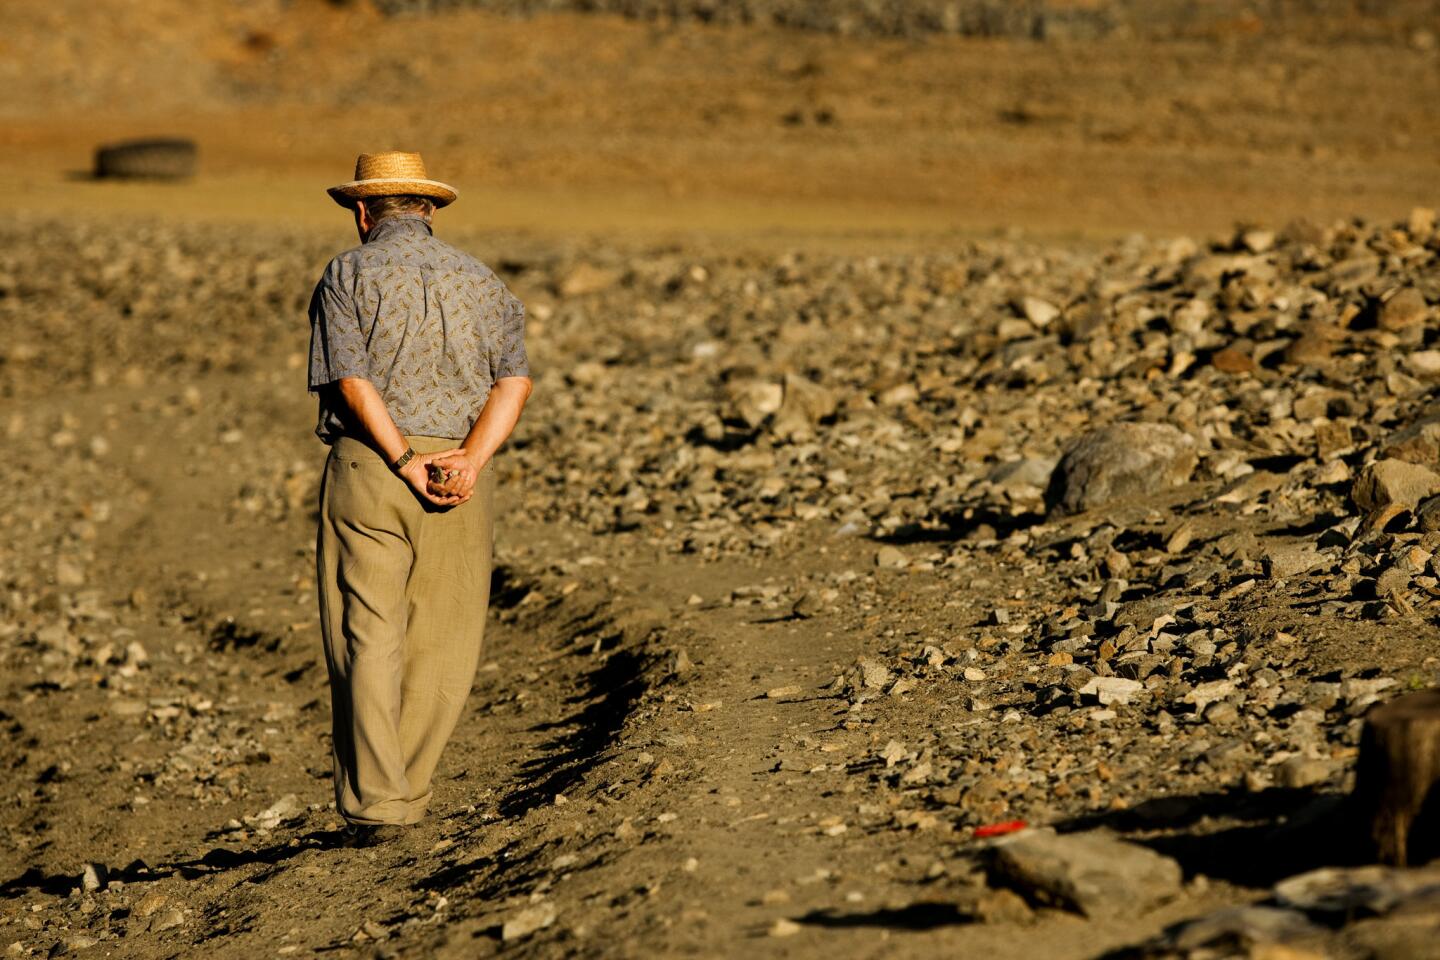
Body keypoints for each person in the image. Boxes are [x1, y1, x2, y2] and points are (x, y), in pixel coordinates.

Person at [307, 151, 533, 846]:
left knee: (367, 633)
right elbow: (514, 384)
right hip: (463, 473)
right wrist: (469, 458)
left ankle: (377, 804)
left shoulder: (348, 272)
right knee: (446, 638)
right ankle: (407, 793)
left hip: (374, 466)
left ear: (364, 213)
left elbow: (350, 378)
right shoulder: (485, 281)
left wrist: (403, 458)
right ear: (428, 211)